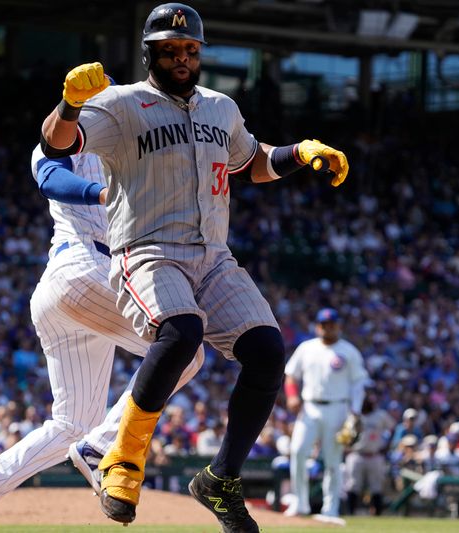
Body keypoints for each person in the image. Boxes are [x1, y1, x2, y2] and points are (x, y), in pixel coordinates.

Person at [38, 3, 348, 531]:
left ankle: (220, 479)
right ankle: (123, 459)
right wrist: (68, 106)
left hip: (214, 255)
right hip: (148, 249)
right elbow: (56, 145)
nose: (181, 57)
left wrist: (301, 151)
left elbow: (251, 164)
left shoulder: (221, 107)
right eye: (169, 49)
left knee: (268, 353)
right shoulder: (120, 104)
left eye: (190, 49)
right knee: (181, 333)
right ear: (150, 53)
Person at [0, 148, 204, 532]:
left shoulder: (120, 149)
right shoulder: (67, 140)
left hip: (59, 288)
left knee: (72, 423)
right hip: (87, 268)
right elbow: (54, 178)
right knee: (185, 349)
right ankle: (103, 446)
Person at [283, 308, 368, 518]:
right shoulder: (306, 348)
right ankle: (300, 503)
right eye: (323, 324)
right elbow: (291, 376)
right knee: (298, 451)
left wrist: (355, 412)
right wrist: (292, 396)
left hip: (338, 408)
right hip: (309, 406)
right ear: (317, 326)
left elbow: (359, 384)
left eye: (331, 324)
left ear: (338, 326)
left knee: (333, 460)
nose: (327, 328)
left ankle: (330, 508)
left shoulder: (348, 351)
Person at [344, 393, 393, 516]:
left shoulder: (380, 415)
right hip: (356, 454)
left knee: (376, 487)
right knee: (353, 486)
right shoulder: (354, 416)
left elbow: (392, 427)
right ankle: (351, 514)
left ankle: (377, 515)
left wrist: (387, 445)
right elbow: (344, 433)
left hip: (374, 455)